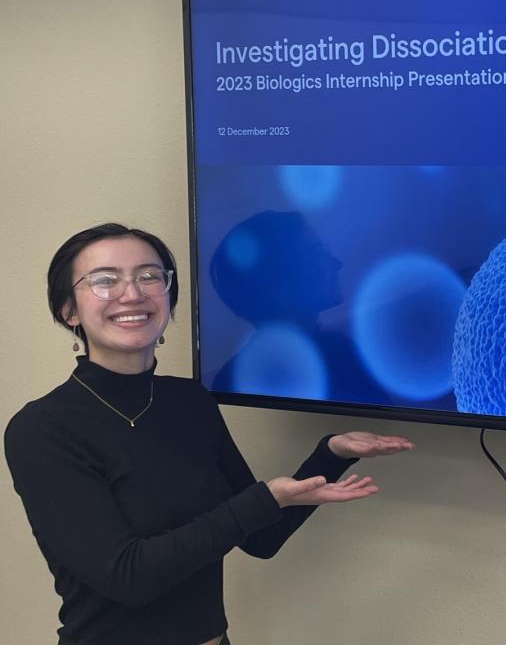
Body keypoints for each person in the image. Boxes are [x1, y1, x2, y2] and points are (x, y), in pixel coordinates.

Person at [5, 223, 414, 645]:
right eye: (105, 280)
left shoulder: (190, 402)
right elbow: (130, 577)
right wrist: (265, 498)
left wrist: (330, 455)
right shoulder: (42, 430)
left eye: (149, 276)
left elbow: (261, 537)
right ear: (68, 310)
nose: (133, 293)